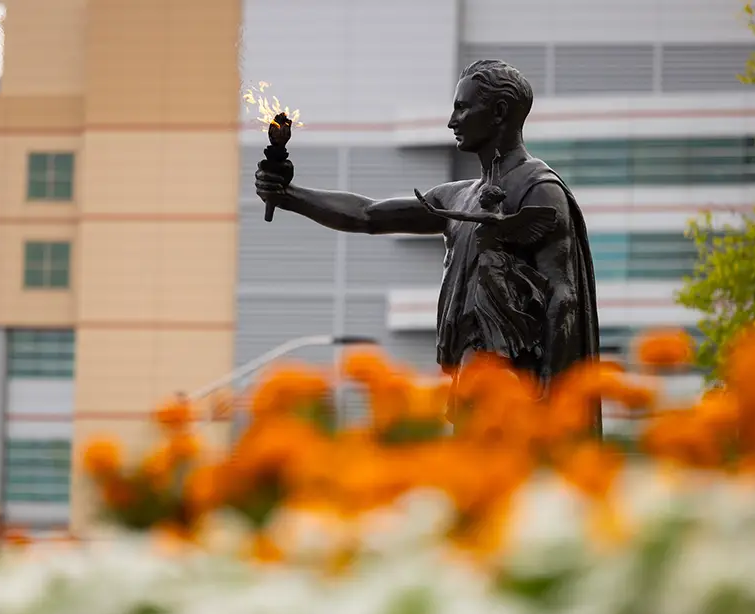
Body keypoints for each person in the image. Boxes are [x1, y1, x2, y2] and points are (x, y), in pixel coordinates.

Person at [255, 59, 600, 420]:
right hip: (471, 381)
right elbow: (368, 214)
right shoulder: (458, 197)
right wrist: (290, 196)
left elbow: (563, 297)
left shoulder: (538, 190)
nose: (452, 121)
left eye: (462, 108)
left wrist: (549, 402)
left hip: (519, 393)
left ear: (499, 112)